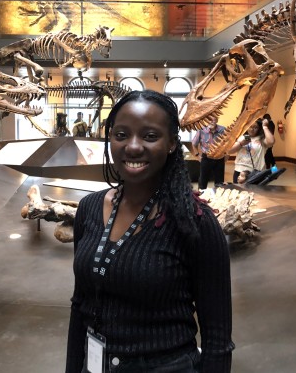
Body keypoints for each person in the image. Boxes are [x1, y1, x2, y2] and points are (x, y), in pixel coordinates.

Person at [65, 90, 234, 373]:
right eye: (121, 134)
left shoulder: (195, 221)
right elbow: (80, 304)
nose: (132, 146)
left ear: (170, 143)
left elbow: (217, 341)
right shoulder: (89, 208)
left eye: (149, 136)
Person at [227, 117, 275, 183]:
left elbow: (271, 141)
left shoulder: (262, 139)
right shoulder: (241, 137)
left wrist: (265, 127)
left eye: (255, 127)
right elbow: (229, 151)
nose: (252, 129)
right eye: (250, 126)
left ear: (259, 128)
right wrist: (240, 144)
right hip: (239, 170)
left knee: (254, 192)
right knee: (239, 191)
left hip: (255, 171)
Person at [191, 116, 227, 190]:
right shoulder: (201, 130)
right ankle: (201, 196)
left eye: (213, 119)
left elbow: (227, 144)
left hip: (219, 157)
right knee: (203, 179)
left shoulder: (222, 129)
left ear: (216, 120)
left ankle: (218, 196)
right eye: (209, 119)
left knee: (219, 180)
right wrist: (197, 155)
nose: (211, 121)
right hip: (206, 157)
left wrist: (226, 155)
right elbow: (194, 144)